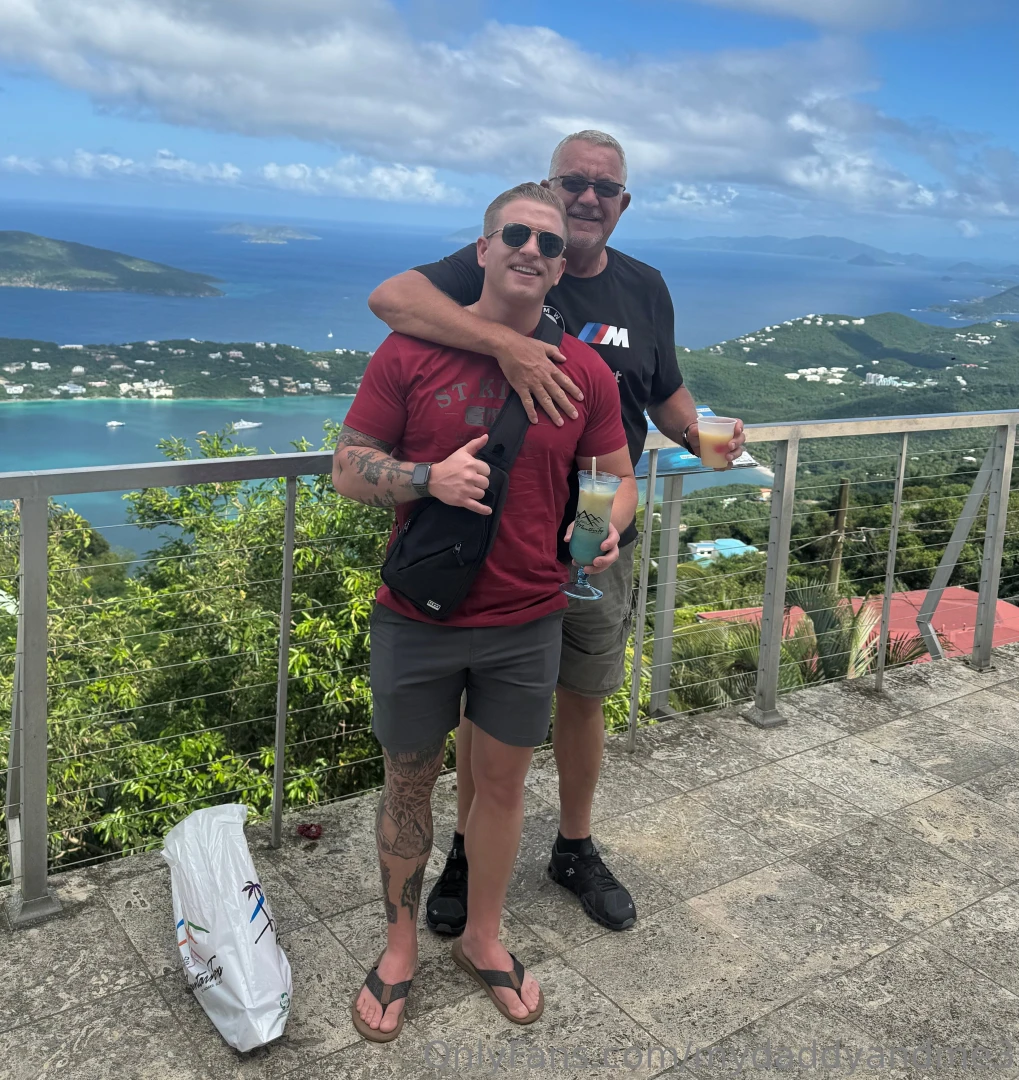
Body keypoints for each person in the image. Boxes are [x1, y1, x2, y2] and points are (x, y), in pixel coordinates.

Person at [368, 130, 747, 936]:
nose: (583, 199)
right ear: (541, 193)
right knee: (484, 703)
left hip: (595, 529)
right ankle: (469, 851)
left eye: (602, 188)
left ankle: (572, 846)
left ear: (622, 204)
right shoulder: (509, 255)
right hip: (495, 543)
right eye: (569, 182)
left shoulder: (644, 286)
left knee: (583, 696)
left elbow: (664, 392)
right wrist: (511, 347)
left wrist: (702, 434)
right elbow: (393, 301)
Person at [335, 181, 637, 1040]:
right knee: (407, 781)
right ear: (481, 248)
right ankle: (399, 949)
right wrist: (427, 478)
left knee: (502, 787)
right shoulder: (408, 353)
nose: (531, 251)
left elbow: (614, 480)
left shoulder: (584, 372)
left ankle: (482, 936)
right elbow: (348, 469)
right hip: (418, 614)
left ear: (560, 264)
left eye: (548, 243)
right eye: (515, 234)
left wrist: (606, 530)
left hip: (527, 617)